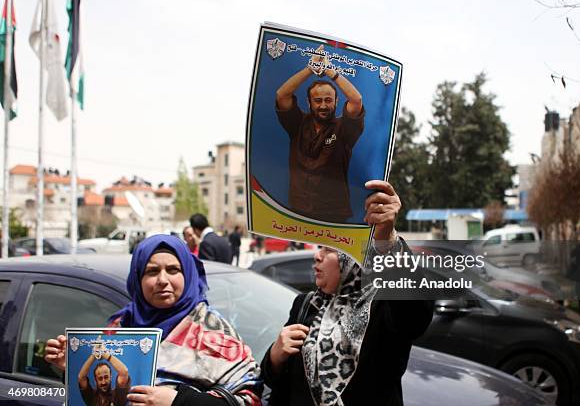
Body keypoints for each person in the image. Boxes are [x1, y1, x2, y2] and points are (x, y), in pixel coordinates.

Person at [261, 180, 433, 405]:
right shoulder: (305, 305)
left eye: (328, 249)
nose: (317, 255)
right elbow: (278, 384)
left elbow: (416, 313)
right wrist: (275, 357)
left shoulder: (381, 307)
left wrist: (387, 241)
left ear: (353, 258)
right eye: (318, 247)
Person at [45, 234, 262, 406]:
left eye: (173, 270)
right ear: (137, 279)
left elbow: (249, 400)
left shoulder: (213, 333)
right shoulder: (120, 325)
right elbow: (103, 393)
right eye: (152, 271)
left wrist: (178, 401)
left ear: (187, 274)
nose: (162, 280)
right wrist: (72, 364)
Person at [276, 44, 365, 223]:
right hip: (298, 211)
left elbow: (356, 100)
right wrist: (311, 68)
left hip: (334, 214)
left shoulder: (344, 128)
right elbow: (282, 95)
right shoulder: (298, 123)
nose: (323, 105)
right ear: (309, 103)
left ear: (336, 101)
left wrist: (330, 71)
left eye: (328, 100)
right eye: (317, 101)